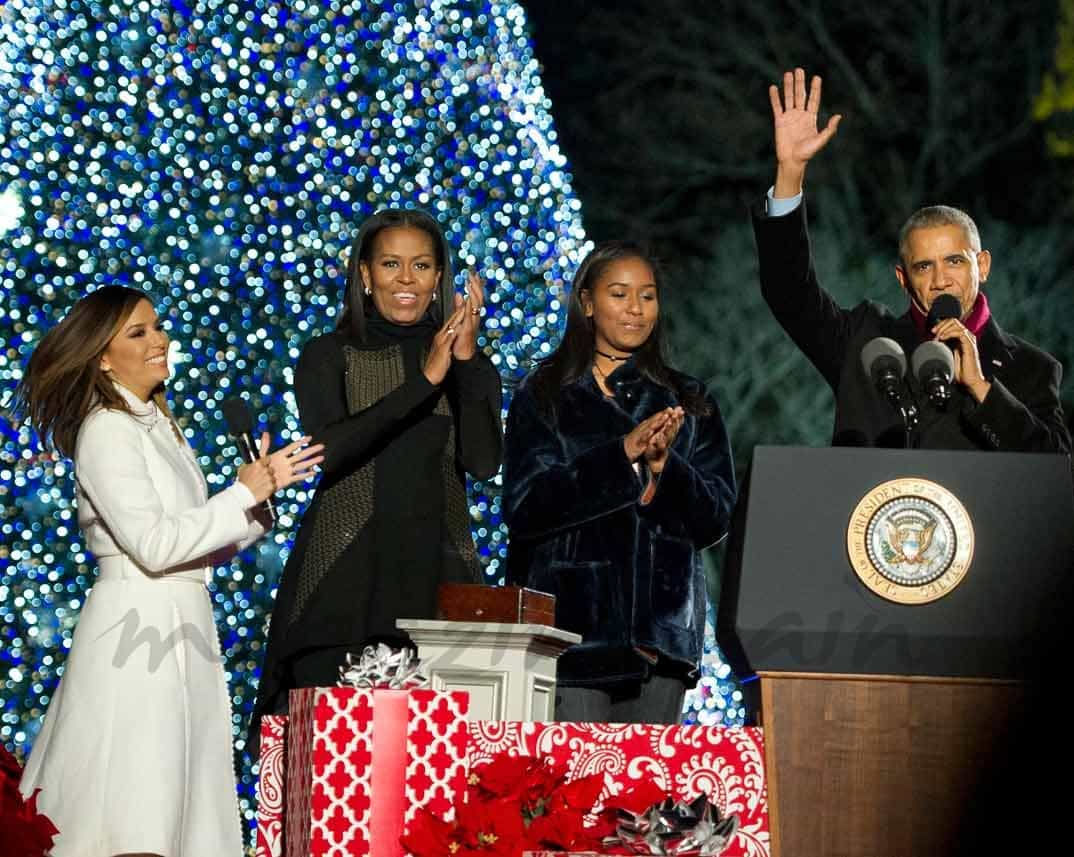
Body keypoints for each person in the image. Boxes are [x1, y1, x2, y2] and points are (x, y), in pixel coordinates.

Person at [12, 286, 323, 857]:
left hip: (181, 626)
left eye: (156, 327)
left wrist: (256, 505)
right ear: (102, 356)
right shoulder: (106, 428)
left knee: (177, 807)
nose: (158, 341)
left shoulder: (157, 424)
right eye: (138, 333)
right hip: (134, 634)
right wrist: (240, 493)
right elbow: (153, 546)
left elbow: (190, 545)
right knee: (133, 807)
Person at [252, 208, 503, 728]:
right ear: (365, 275)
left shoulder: (464, 363)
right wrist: (424, 382)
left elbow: (483, 461)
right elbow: (330, 450)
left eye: (422, 265)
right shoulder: (329, 354)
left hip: (439, 592)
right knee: (332, 777)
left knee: (434, 778)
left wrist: (467, 360)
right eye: (391, 264)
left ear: (440, 278)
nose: (407, 279)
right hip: (345, 588)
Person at [754, 67, 1071, 453]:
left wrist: (982, 389)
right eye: (924, 266)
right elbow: (789, 291)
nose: (940, 279)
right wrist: (790, 172)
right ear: (903, 279)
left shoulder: (1030, 367)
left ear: (982, 265)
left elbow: (1056, 471)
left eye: (954, 261)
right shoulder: (866, 340)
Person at [503, 242, 737, 724]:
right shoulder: (544, 394)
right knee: (574, 791)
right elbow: (526, 508)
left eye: (647, 296)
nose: (635, 308)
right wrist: (620, 455)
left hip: (662, 642)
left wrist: (663, 467)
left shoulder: (688, 399)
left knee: (647, 796)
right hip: (572, 639)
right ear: (587, 303)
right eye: (619, 293)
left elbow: (715, 517)